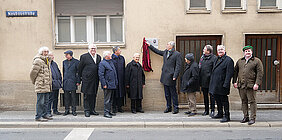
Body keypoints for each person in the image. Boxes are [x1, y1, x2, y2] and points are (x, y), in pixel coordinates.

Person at [147, 41, 182, 114]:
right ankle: (168, 107)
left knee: (173, 93)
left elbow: (178, 66)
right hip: (165, 76)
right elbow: (158, 51)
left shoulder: (177, 54)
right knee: (167, 94)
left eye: (168, 44)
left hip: (171, 76)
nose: (166, 45)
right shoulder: (166, 52)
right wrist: (150, 46)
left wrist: (175, 75)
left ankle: (176, 107)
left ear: (171, 46)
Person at [233, 46, 263, 125]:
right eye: (246, 51)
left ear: (252, 52)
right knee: (244, 101)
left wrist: (257, 83)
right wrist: (234, 82)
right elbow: (235, 71)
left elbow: (260, 73)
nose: (247, 52)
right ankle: (245, 116)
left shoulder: (257, 61)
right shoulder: (240, 61)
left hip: (251, 85)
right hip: (241, 85)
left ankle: (252, 118)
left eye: (249, 51)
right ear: (244, 52)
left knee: (252, 101)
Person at [209, 45, 234, 123]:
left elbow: (229, 74)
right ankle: (220, 113)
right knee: (217, 100)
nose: (220, 51)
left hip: (223, 84)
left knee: (224, 101)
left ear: (225, 50)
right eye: (218, 50)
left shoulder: (228, 60)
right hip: (215, 84)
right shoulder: (216, 59)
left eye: (221, 49)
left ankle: (227, 116)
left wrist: (226, 84)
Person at [30, 46, 53, 121]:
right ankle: (38, 116)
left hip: (47, 85)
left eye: (47, 51)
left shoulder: (47, 60)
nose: (46, 53)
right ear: (41, 52)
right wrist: (35, 81)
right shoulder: (38, 61)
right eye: (44, 52)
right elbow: (33, 73)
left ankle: (44, 114)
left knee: (46, 101)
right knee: (40, 102)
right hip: (41, 84)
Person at [78, 44, 101, 117]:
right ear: (89, 49)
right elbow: (80, 69)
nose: (93, 50)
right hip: (87, 80)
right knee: (87, 96)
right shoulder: (84, 57)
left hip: (95, 80)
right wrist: (79, 79)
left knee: (94, 95)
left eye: (94, 48)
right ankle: (87, 110)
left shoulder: (98, 57)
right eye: (92, 48)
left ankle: (92, 110)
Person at [98, 51, 118, 118]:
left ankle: (109, 111)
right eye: (110, 54)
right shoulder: (102, 63)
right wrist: (104, 84)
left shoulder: (110, 62)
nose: (111, 55)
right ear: (106, 56)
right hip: (107, 84)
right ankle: (106, 112)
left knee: (111, 99)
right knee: (107, 99)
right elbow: (101, 75)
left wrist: (116, 82)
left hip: (112, 84)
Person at [199, 45, 216, 117]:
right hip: (203, 80)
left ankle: (212, 110)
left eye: (204, 49)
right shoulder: (202, 57)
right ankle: (206, 110)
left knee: (212, 96)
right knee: (205, 96)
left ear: (208, 51)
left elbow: (214, 69)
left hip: (210, 80)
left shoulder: (214, 58)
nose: (203, 50)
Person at [62, 50, 80, 116]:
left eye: (67, 54)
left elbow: (78, 73)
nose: (66, 56)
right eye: (65, 55)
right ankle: (67, 110)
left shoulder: (76, 62)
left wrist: (78, 81)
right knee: (66, 97)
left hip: (73, 81)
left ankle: (74, 110)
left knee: (73, 97)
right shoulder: (64, 62)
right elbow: (64, 72)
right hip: (66, 81)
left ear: (70, 55)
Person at [47, 52, 62, 116]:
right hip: (51, 84)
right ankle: (48, 111)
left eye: (53, 55)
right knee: (50, 99)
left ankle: (55, 110)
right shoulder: (47, 64)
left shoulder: (54, 64)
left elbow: (58, 72)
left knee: (56, 98)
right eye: (51, 56)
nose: (53, 57)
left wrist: (60, 80)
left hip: (57, 84)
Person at [111, 46, 126, 113]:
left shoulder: (122, 58)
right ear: (115, 51)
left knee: (120, 94)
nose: (120, 51)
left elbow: (123, 68)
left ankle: (120, 107)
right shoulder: (111, 58)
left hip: (121, 79)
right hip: (114, 80)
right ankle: (114, 107)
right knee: (114, 94)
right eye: (119, 50)